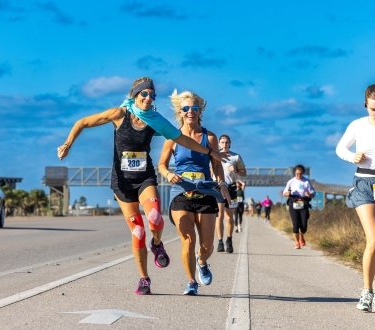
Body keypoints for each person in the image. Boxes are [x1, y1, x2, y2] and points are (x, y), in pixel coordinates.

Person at [57, 77, 225, 295]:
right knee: (137, 231)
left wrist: (210, 152)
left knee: (154, 217)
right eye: (143, 94)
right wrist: (67, 144)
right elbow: (83, 122)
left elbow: (183, 140)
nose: (148, 98)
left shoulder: (155, 120)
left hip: (145, 178)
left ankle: (157, 243)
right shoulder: (119, 114)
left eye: (152, 95)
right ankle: (144, 278)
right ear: (135, 95)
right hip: (122, 182)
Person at [158, 89, 229, 295]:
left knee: (207, 246)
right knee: (188, 239)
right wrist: (168, 175)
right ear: (180, 112)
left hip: (205, 191)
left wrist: (222, 183)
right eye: (186, 108)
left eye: (194, 108)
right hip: (181, 191)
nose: (190, 112)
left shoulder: (210, 137)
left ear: (200, 112)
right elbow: (161, 165)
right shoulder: (172, 138)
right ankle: (191, 282)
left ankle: (201, 261)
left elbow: (216, 166)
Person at [336, 81, 375, 313]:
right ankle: (366, 290)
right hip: (364, 184)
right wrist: (352, 157)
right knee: (374, 239)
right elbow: (340, 149)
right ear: (366, 105)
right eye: (373, 109)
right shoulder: (357, 125)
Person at [215, 134, 247, 253]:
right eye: (222, 142)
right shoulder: (215, 155)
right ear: (219, 143)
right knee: (219, 216)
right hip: (218, 187)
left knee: (229, 217)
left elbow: (244, 173)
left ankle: (229, 239)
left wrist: (236, 170)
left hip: (231, 188)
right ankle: (220, 242)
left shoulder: (236, 157)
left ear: (230, 143)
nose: (224, 144)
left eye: (226, 142)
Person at [282, 165, 315, 250]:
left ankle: (301, 235)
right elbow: (284, 193)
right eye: (297, 174)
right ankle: (297, 242)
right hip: (293, 203)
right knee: (295, 225)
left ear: (303, 173)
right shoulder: (291, 182)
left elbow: (313, 193)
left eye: (300, 174)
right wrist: (287, 194)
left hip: (303, 203)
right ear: (294, 173)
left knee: (303, 226)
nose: (298, 176)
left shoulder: (306, 181)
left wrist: (310, 194)